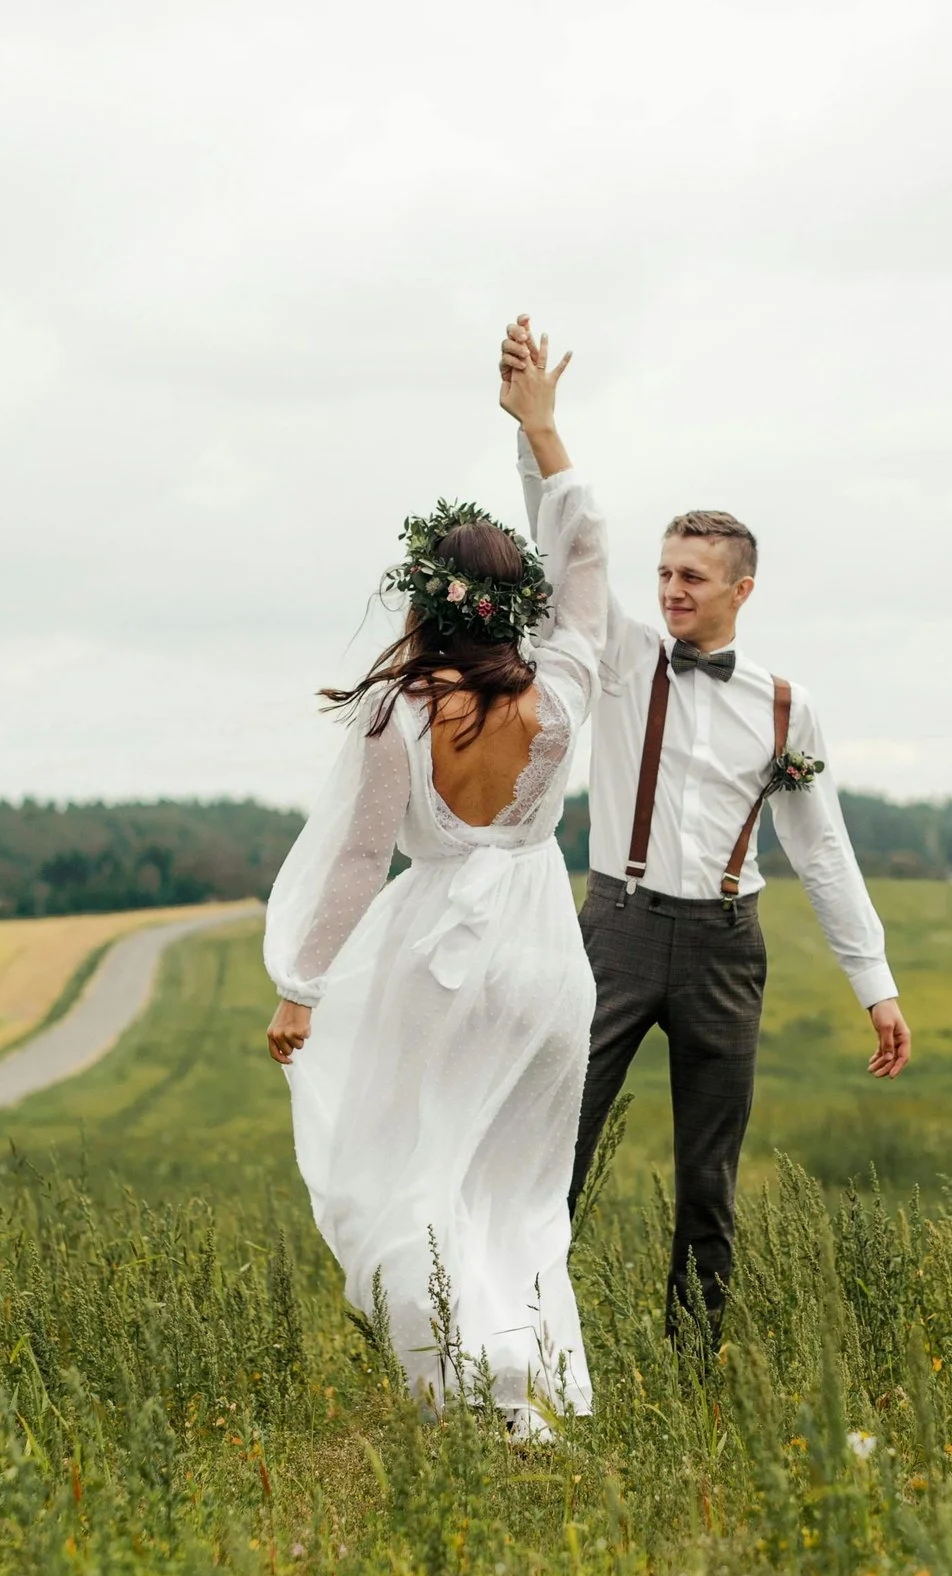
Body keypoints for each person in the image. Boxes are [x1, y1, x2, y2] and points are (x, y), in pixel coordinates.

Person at [499, 315, 912, 1347]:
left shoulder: (785, 707)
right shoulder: (624, 650)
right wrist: (535, 429)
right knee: (555, 1152)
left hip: (729, 949)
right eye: (665, 573)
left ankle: (696, 1371)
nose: (671, 591)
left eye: (693, 577)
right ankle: (522, 1349)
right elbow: (568, 540)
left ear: (741, 589)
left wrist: (876, 984)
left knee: (707, 1183)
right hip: (617, 932)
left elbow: (820, 849)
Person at [262, 332, 606, 1437]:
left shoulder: (395, 712)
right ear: (518, 606)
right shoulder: (563, 684)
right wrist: (540, 427)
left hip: (437, 961)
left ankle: (465, 1383)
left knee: (410, 1176)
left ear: (428, 599)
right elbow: (590, 555)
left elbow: (362, 861)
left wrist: (300, 983)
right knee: (515, 1187)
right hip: (543, 957)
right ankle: (521, 1384)